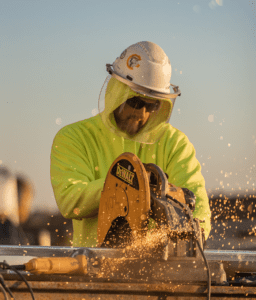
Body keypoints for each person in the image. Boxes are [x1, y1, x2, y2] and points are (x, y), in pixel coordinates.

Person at [50, 41, 211, 247]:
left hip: (163, 269)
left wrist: (188, 235)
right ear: (117, 92)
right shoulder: (74, 137)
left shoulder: (175, 143)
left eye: (151, 105)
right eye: (135, 102)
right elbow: (70, 200)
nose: (141, 113)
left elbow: (198, 208)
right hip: (93, 267)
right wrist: (127, 186)